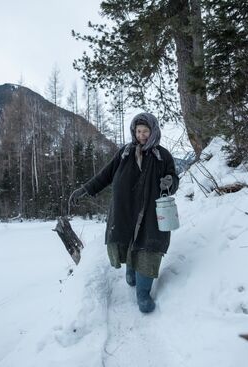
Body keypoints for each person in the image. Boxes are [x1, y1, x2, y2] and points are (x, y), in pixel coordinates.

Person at [69, 112, 179, 313]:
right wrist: (85, 189)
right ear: (134, 131)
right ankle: (130, 270)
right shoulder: (124, 153)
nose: (142, 135)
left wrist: (170, 182)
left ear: (153, 131)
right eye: (138, 131)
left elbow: (173, 178)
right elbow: (105, 175)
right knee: (128, 243)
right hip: (125, 210)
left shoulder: (163, 156)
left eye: (146, 131)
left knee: (148, 249)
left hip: (151, 214)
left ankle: (143, 294)